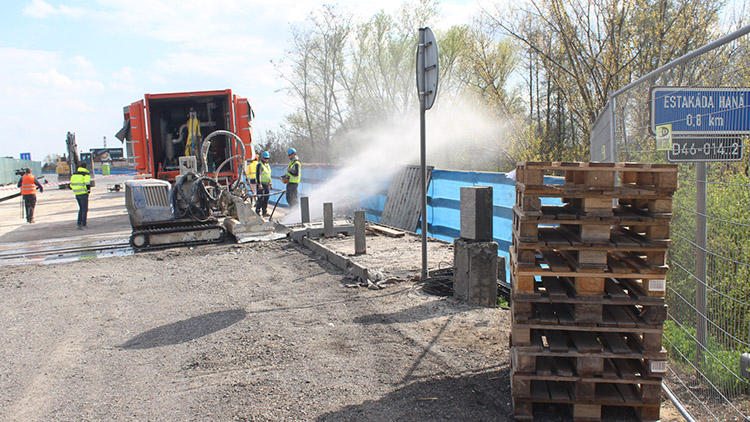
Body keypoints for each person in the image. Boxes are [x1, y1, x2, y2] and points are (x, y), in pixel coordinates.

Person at [70, 162, 92, 229]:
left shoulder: (74, 175)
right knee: (84, 209)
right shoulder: (86, 175)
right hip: (83, 193)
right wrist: (88, 191)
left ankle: (79, 223)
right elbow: (87, 184)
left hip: (77, 194)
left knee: (81, 209)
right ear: (85, 167)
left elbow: (71, 185)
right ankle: (84, 224)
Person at [255, 151, 272, 216]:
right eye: (265, 158)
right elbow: (258, 174)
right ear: (262, 158)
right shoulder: (260, 164)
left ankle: (264, 211)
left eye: (267, 159)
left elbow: (269, 175)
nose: (266, 160)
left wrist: (270, 183)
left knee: (266, 198)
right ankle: (257, 211)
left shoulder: (267, 165)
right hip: (261, 184)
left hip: (267, 184)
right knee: (261, 198)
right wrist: (259, 184)